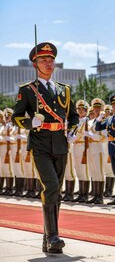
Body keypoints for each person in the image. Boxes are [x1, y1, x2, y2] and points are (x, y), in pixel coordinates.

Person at [12, 42, 79, 253]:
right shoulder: (28, 90)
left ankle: (48, 239)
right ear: (35, 64)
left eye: (51, 60)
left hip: (60, 143)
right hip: (40, 144)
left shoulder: (64, 90)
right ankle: (53, 236)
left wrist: (73, 130)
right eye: (43, 60)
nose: (48, 64)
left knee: (55, 191)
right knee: (50, 186)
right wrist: (30, 122)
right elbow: (16, 117)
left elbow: (74, 116)